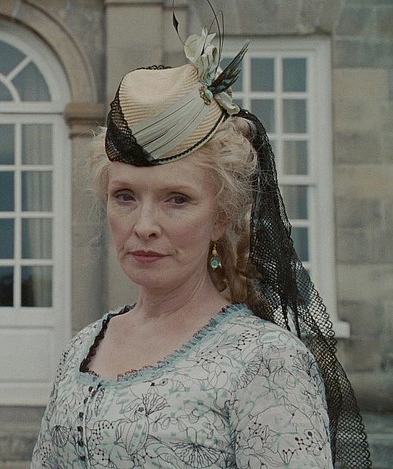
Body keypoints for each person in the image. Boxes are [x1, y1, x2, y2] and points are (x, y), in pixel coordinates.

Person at [32, 23, 372, 469]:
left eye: (177, 199)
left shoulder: (266, 361)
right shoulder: (82, 348)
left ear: (221, 216)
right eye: (125, 196)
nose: (144, 226)